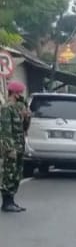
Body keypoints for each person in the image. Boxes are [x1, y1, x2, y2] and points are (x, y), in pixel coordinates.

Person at [1, 81, 30, 213]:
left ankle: (12, 201)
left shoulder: (19, 108)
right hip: (11, 147)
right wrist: (10, 148)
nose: (21, 95)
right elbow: (6, 130)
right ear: (15, 93)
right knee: (9, 174)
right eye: (20, 93)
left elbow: (24, 128)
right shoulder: (7, 108)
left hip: (19, 145)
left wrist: (26, 117)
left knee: (17, 174)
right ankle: (6, 202)